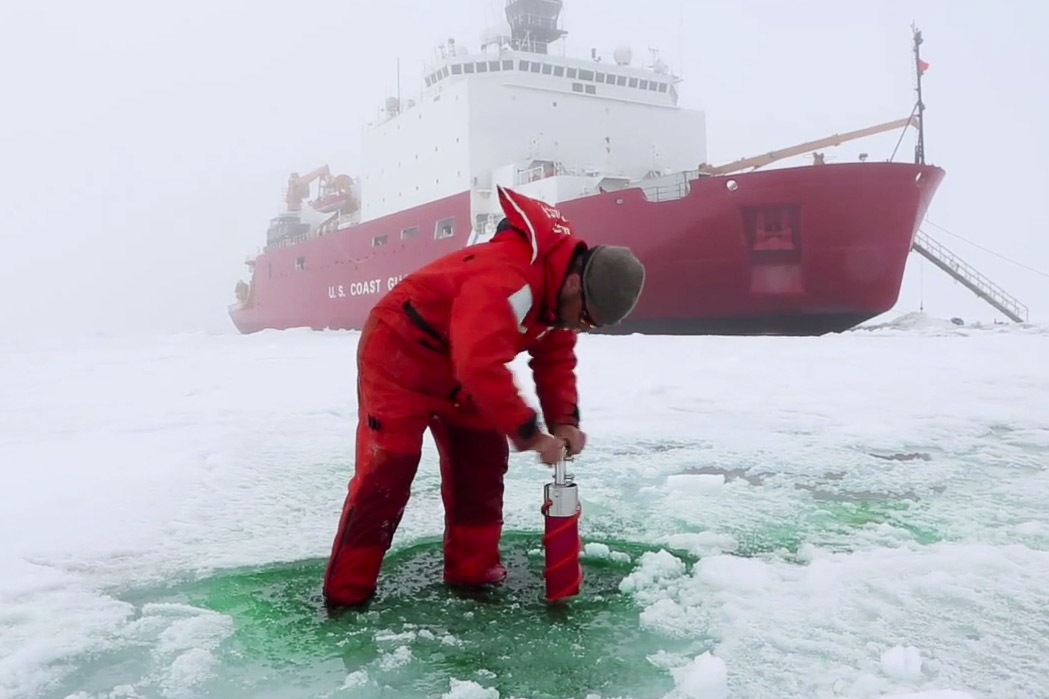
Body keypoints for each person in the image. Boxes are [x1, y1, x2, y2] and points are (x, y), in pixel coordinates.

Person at [322, 185, 646, 607]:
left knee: (481, 461)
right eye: (585, 317)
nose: (581, 328)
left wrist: (565, 420)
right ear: (573, 284)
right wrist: (530, 434)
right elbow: (479, 366)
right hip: (399, 353)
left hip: (459, 368)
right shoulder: (509, 280)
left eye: (591, 326)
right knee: (388, 472)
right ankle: (347, 596)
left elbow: (554, 359)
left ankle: (472, 575)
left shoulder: (556, 301)